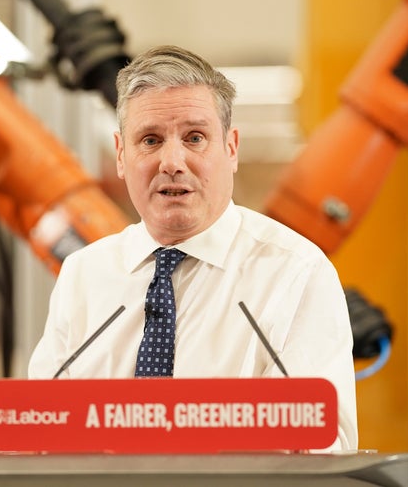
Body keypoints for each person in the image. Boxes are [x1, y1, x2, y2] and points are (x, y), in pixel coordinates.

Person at [28, 45, 358, 449]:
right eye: (149, 140)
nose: (172, 161)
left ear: (231, 148)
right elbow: (37, 435)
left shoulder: (295, 273)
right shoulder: (84, 275)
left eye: (195, 137)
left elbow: (324, 446)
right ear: (120, 155)